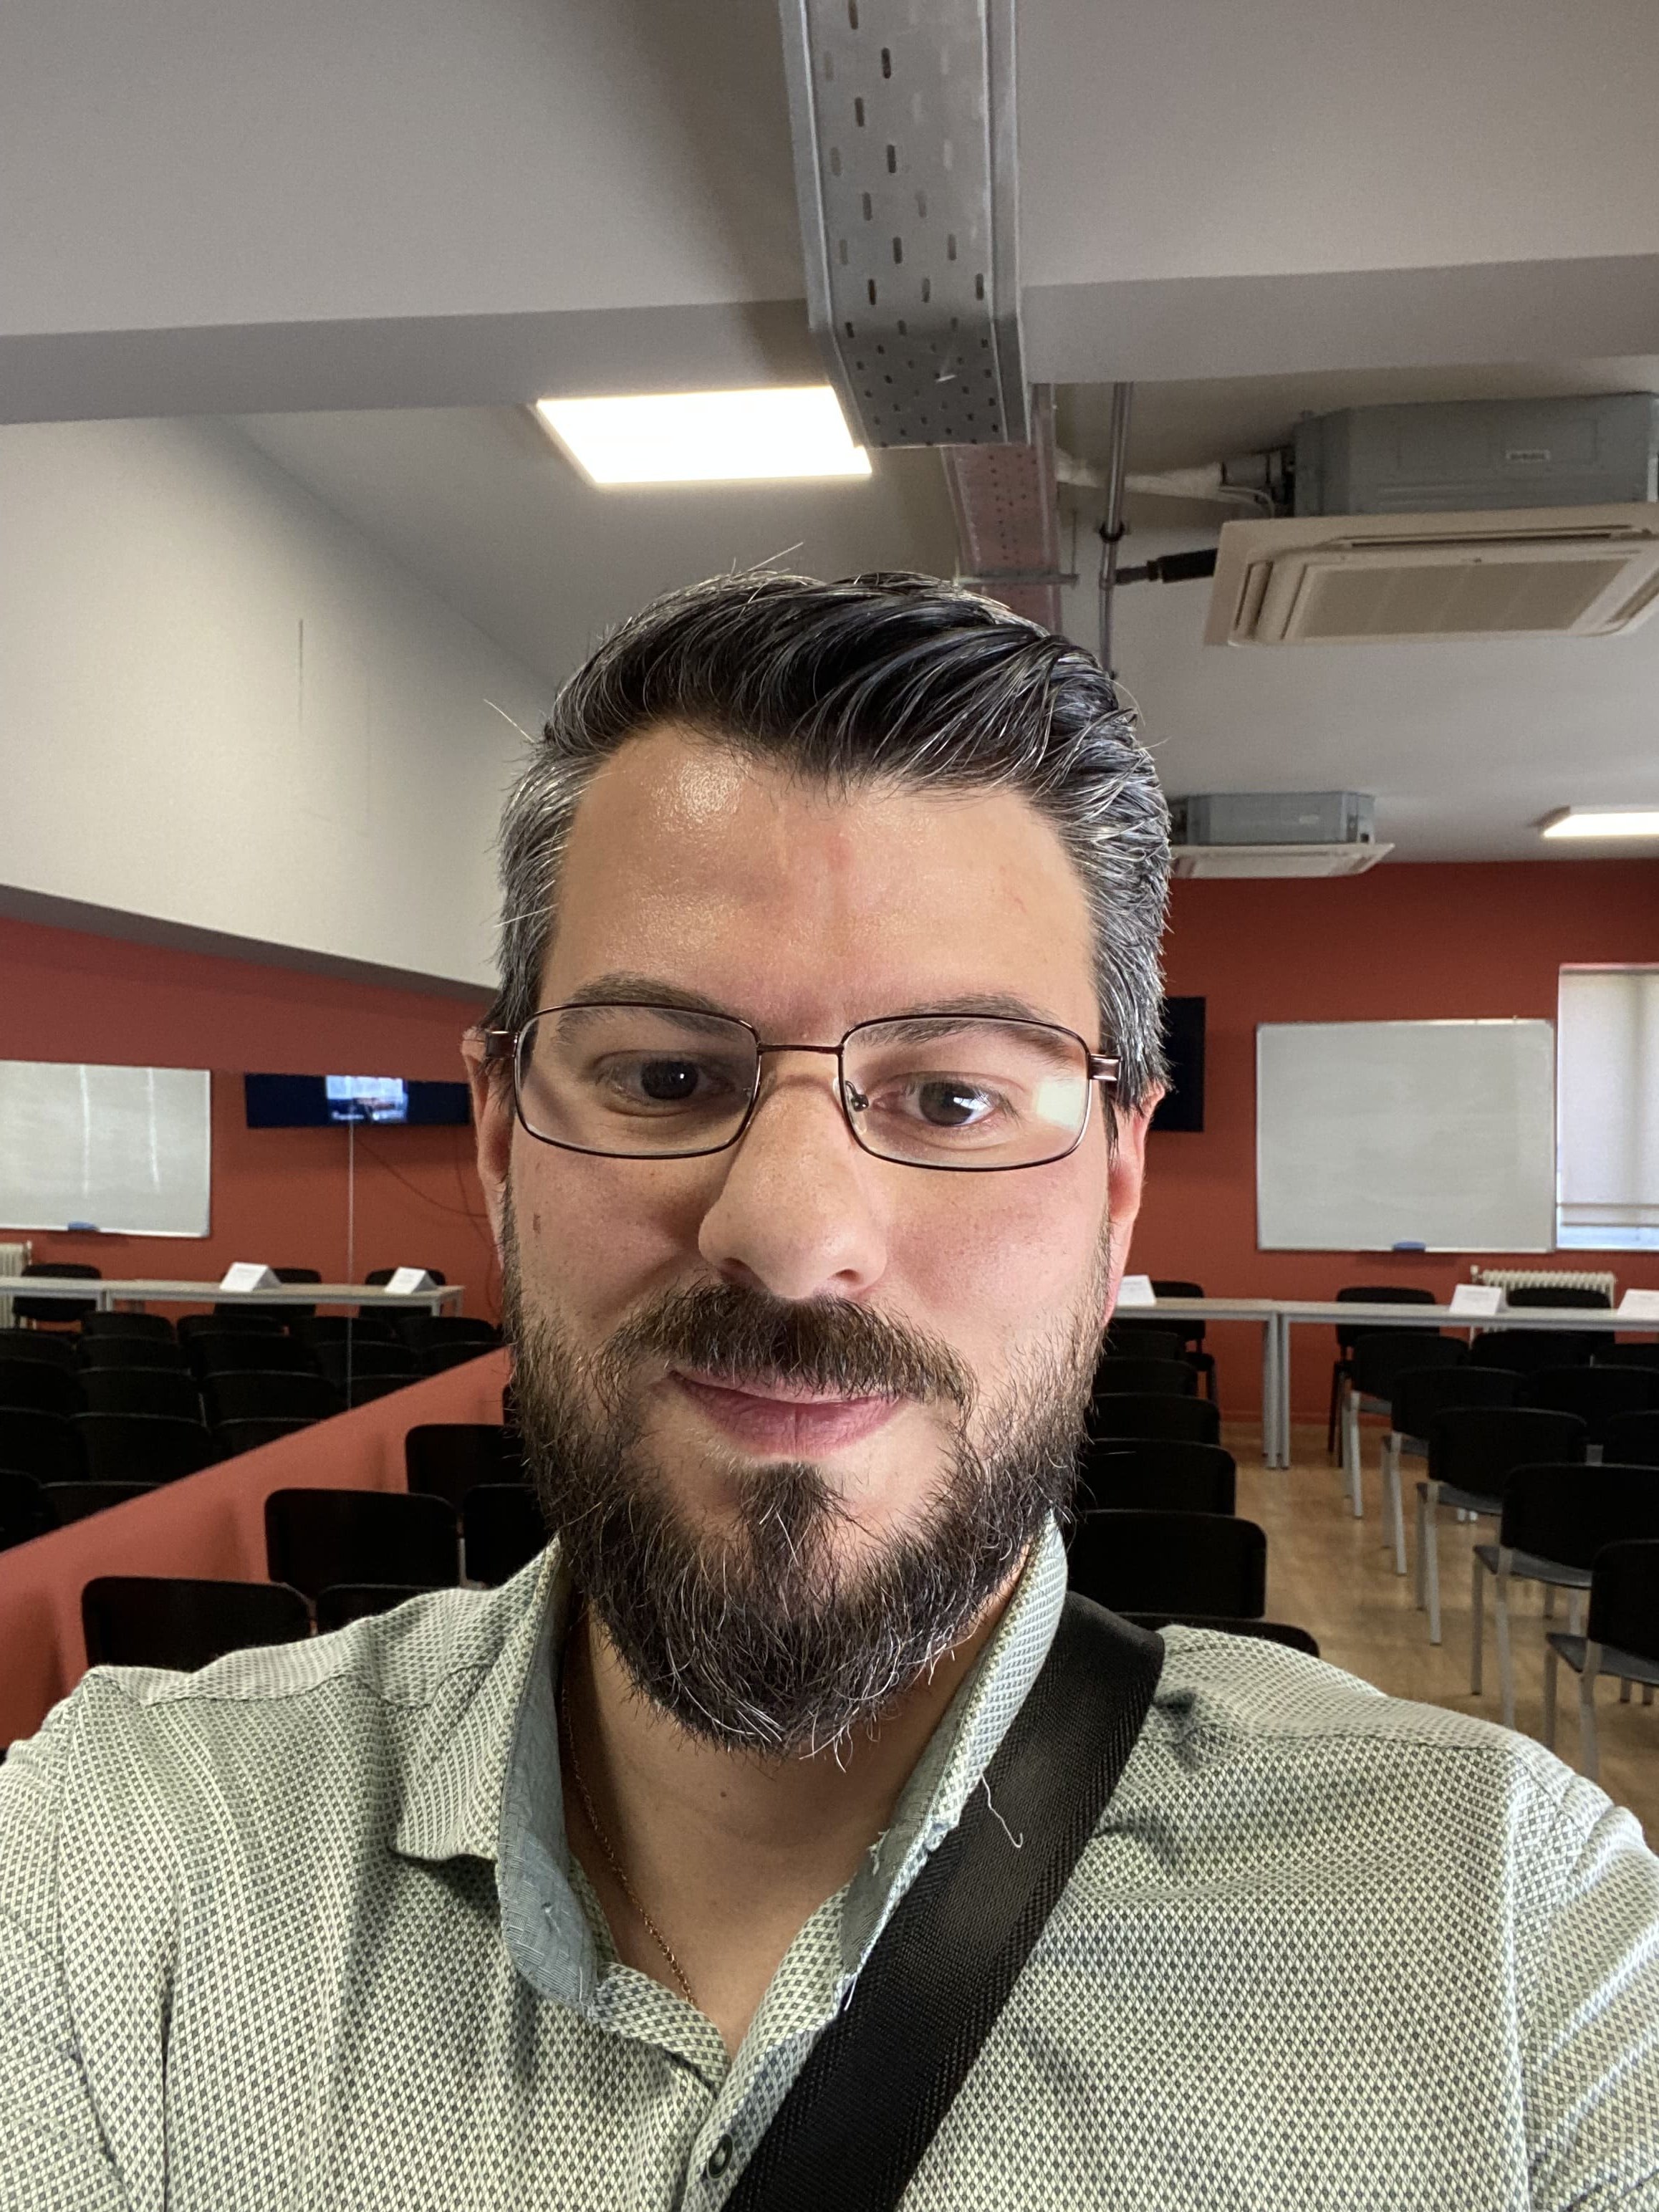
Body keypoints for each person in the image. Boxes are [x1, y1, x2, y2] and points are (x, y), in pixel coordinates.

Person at [1, 572, 1655, 2210]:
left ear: (1117, 1184)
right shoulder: (117, 1864)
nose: (790, 1237)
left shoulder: (1512, 1944)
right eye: (665, 1077)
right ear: (502, 1139)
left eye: (948, 1093)